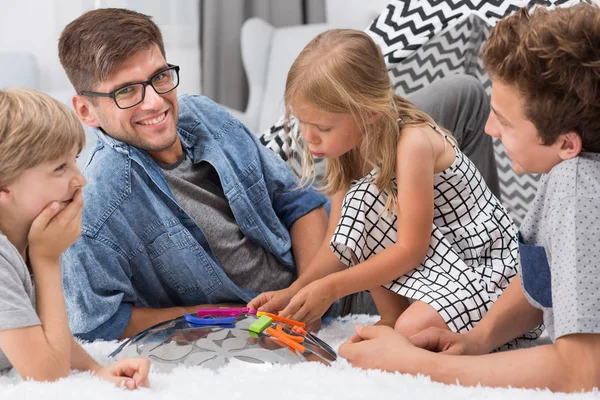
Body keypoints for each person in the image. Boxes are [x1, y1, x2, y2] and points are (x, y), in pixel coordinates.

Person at [338, 3, 600, 392]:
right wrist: (478, 339)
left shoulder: (578, 186)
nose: (490, 129)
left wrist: (418, 365)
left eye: (505, 122)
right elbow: (539, 278)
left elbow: (581, 370)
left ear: (566, 143)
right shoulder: (565, 173)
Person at [248, 28, 520, 338]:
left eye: (322, 126)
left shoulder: (413, 143)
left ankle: (400, 319)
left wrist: (331, 289)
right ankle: (392, 314)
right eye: (303, 123)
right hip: (440, 267)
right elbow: (337, 245)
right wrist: (296, 291)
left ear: (369, 112)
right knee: (362, 202)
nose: (309, 138)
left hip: (480, 266)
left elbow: (411, 250)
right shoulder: (346, 149)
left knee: (412, 330)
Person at [0, 88, 150, 387]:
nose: (80, 179)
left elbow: (45, 333)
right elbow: (46, 378)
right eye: (59, 167)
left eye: (74, 160)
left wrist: (96, 370)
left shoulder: (29, 238)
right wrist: (47, 260)